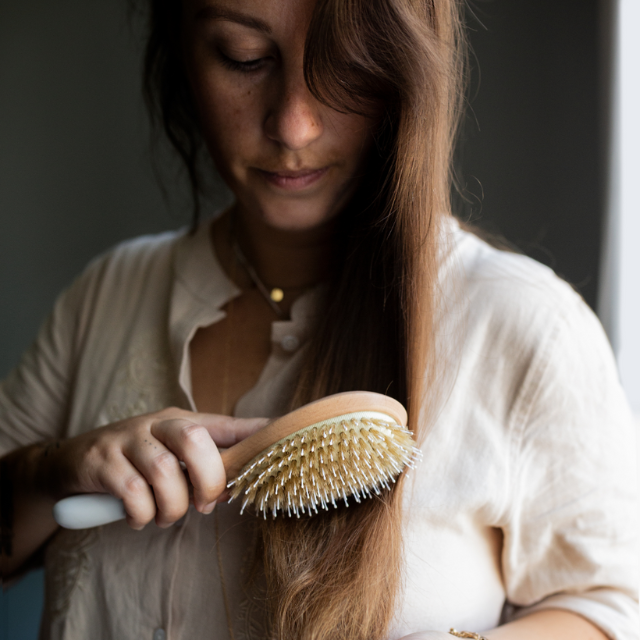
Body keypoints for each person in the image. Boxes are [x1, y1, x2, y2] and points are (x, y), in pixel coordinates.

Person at [0, 0, 637, 639]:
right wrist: (49, 470)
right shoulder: (107, 296)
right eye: (243, 58)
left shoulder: (524, 327)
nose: (294, 126)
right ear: (181, 54)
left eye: (342, 65)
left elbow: (612, 606)